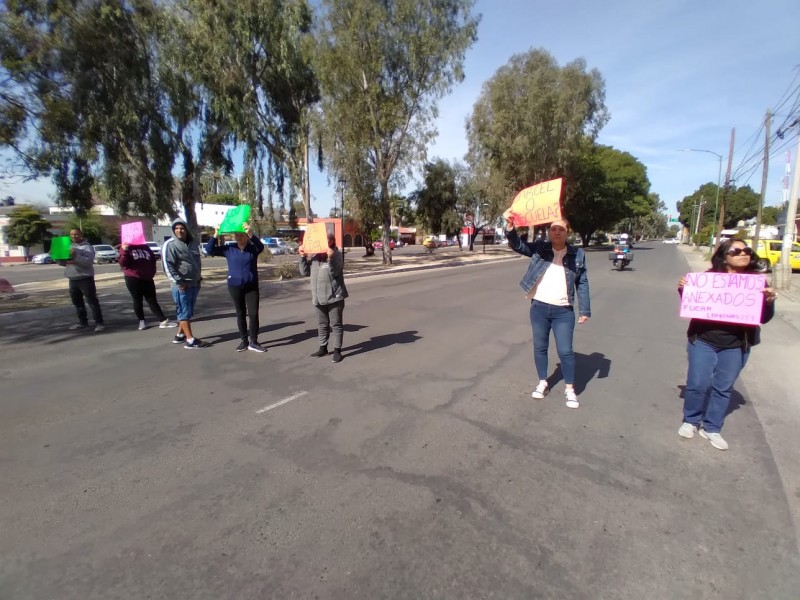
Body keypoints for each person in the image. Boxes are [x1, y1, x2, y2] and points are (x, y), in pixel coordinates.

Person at [677, 239, 776, 450]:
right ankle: (691, 420)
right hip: (703, 341)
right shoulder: (707, 279)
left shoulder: (757, 283)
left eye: (747, 250)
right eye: (736, 250)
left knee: (723, 388)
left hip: (736, 345)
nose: (743, 253)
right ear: (724, 256)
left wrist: (768, 302)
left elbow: (764, 318)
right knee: (697, 383)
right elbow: (692, 304)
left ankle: (712, 427)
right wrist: (683, 290)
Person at [505, 218, 591, 408]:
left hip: (563, 311)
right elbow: (519, 246)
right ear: (549, 232)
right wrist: (510, 229)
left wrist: (584, 309)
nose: (557, 232)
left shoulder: (577, 254)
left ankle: (570, 389)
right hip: (539, 308)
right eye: (553, 229)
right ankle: (543, 382)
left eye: (561, 229)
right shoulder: (540, 248)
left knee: (565, 351)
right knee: (540, 347)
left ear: (567, 232)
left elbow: (582, 282)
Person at [205, 224, 266, 353]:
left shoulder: (252, 249)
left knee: (253, 314)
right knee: (240, 313)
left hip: (251, 287)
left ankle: (253, 342)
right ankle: (244, 341)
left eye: (241, 235)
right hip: (235, 286)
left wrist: (251, 233)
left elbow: (261, 247)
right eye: (236, 235)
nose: (238, 237)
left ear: (245, 236)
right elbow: (209, 250)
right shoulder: (229, 249)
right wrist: (216, 234)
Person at [298, 232, 348, 363]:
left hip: (334, 297)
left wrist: (330, 258)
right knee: (322, 324)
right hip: (318, 297)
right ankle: (323, 348)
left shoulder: (336, 254)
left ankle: (337, 351)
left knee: (336, 324)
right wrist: (302, 257)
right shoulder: (314, 256)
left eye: (325, 241)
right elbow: (304, 272)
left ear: (331, 242)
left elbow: (336, 272)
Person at [161, 218, 208, 349]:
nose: (179, 231)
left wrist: (198, 277)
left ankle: (180, 335)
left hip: (194, 283)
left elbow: (196, 262)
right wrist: (178, 282)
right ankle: (190, 340)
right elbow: (167, 266)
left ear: (186, 229)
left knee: (188, 311)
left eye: (181, 228)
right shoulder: (170, 245)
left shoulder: (192, 243)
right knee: (184, 312)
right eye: (176, 228)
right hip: (182, 285)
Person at [119, 241, 177, 331]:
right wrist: (125, 250)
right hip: (133, 278)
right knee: (137, 300)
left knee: (152, 299)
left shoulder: (145, 247)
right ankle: (141, 321)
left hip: (147, 277)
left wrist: (152, 272)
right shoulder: (126, 247)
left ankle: (163, 320)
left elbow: (152, 260)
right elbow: (123, 263)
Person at [60, 228, 105, 332]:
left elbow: (88, 262)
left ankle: (99, 323)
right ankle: (82, 322)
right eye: (71, 234)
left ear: (81, 235)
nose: (73, 236)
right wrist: (57, 256)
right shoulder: (68, 246)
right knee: (77, 302)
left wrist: (76, 256)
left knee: (92, 301)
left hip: (85, 278)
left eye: (76, 234)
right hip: (72, 278)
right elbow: (64, 264)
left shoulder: (87, 247)